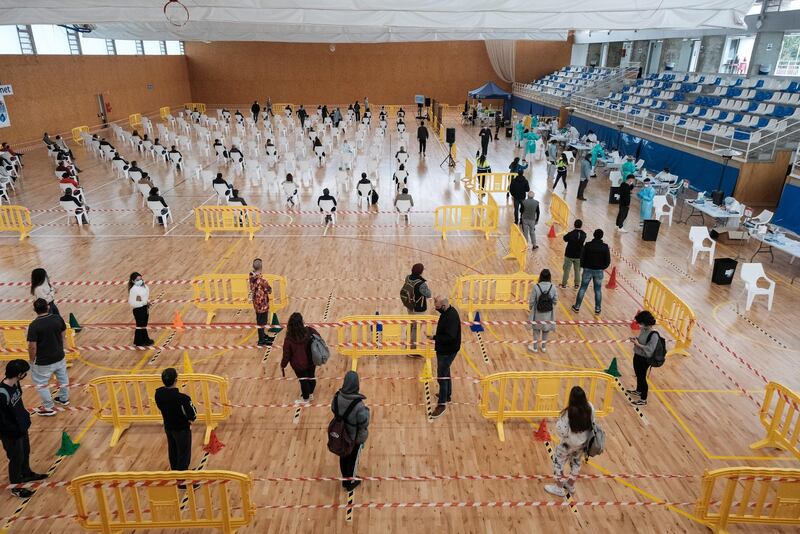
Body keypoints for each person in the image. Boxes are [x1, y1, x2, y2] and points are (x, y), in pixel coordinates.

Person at [0, 360, 47, 498]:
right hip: (11, 433)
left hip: (21, 427)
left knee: (25, 451)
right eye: (24, 373)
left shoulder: (15, 384)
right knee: (16, 458)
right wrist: (14, 431)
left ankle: (26, 473)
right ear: (19, 374)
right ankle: (16, 487)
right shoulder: (2, 394)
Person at [544, 386, 594, 497]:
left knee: (558, 463)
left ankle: (559, 487)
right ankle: (570, 485)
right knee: (576, 463)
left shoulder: (568, 413)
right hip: (581, 444)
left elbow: (562, 431)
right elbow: (593, 423)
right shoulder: (590, 407)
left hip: (567, 444)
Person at [26, 298, 69, 416]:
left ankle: (48, 407)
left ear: (35, 310)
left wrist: (31, 360)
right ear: (48, 307)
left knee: (41, 384)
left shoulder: (34, 326)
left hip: (43, 361)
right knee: (63, 378)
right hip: (59, 356)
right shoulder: (57, 318)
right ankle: (64, 398)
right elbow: (63, 334)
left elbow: (32, 347)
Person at [332, 371, 370, 491]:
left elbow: (333, 408)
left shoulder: (337, 396)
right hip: (353, 438)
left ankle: (345, 478)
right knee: (353, 460)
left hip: (341, 435)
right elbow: (364, 423)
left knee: (343, 456)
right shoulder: (359, 405)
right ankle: (350, 483)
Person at [154, 368, 196, 476]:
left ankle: (175, 472)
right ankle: (182, 479)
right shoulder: (183, 399)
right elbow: (192, 415)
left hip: (168, 426)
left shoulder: (158, 394)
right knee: (183, 454)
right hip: (181, 429)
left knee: (173, 450)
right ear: (176, 380)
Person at [427, 296, 461, 419]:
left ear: (444, 306)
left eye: (437, 307)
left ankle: (441, 404)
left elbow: (450, 337)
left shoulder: (451, 317)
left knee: (441, 377)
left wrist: (435, 338)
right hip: (445, 350)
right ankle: (447, 394)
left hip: (447, 351)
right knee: (446, 372)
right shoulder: (448, 312)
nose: (436, 309)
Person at [281, 312, 319, 403]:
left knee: (303, 381)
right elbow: (318, 338)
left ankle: (305, 399)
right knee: (311, 376)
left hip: (299, 365)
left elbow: (286, 355)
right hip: (311, 361)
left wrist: (283, 365)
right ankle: (311, 393)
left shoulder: (288, 339)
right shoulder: (309, 331)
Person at [572, 229, 611, 315]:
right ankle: (597, 309)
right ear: (602, 236)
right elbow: (608, 261)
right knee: (598, 290)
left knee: (583, 288)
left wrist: (583, 266)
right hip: (599, 271)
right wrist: (602, 267)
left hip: (587, 270)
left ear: (593, 235)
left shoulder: (588, 245)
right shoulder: (605, 247)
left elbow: (582, 257)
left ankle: (577, 307)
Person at [626, 311, 659, 407]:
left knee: (642, 377)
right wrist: (635, 340)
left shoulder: (654, 335)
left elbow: (649, 349)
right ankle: (638, 390)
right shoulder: (644, 330)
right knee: (638, 374)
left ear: (646, 323)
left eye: (640, 323)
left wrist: (637, 344)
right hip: (638, 355)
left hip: (644, 359)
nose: (639, 325)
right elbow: (642, 341)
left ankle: (643, 399)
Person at [401, 263, 432, 351]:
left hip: (409, 306)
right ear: (421, 272)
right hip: (419, 308)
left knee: (411, 324)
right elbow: (428, 294)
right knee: (416, 327)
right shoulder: (421, 284)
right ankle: (413, 349)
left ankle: (408, 342)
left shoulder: (408, 277)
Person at [528, 269, 557, 353]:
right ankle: (544, 347)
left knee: (536, 331)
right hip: (548, 313)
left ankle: (535, 347)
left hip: (537, 312)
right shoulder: (553, 287)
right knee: (546, 330)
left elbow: (532, 300)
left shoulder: (536, 287)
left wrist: (530, 308)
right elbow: (555, 300)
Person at [249, 259, 273, 346]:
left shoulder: (251, 277)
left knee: (259, 320)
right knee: (262, 322)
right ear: (261, 267)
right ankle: (261, 340)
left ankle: (262, 335)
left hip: (256, 303)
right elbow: (269, 290)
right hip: (263, 304)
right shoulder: (263, 281)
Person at [561, 220, 587, 289]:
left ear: (574, 225)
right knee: (577, 271)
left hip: (569, 255)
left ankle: (564, 284)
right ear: (581, 225)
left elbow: (564, 239)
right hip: (578, 255)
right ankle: (577, 284)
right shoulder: (584, 234)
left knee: (566, 270)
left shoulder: (571, 234)